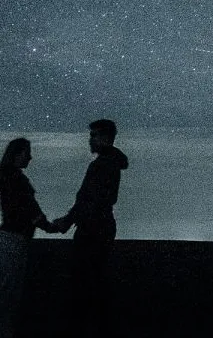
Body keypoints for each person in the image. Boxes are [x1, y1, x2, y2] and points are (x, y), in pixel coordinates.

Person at [52, 119, 128, 336]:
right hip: (101, 225)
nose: (90, 140)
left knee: (85, 280)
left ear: (104, 138)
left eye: (94, 135)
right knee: (96, 279)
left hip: (93, 228)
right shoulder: (111, 163)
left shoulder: (101, 165)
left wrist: (68, 220)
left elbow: (89, 199)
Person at [0, 137, 54, 338]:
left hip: (9, 239)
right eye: (27, 153)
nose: (30, 157)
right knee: (9, 296)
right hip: (15, 241)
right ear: (18, 154)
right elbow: (30, 210)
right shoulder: (16, 180)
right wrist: (49, 226)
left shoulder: (7, 177)